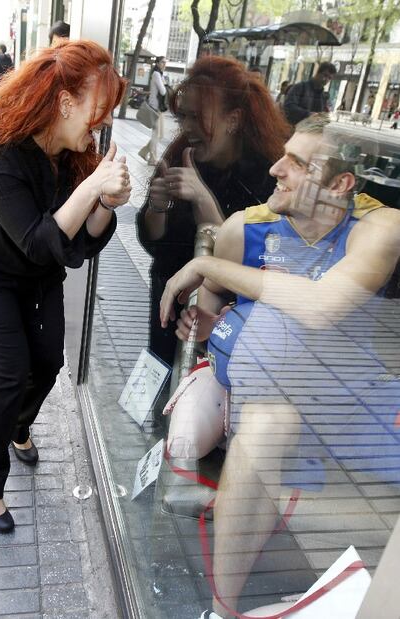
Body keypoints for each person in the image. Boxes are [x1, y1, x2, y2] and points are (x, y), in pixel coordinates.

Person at [160, 116, 400, 618]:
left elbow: (321, 305)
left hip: (347, 399)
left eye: (296, 163)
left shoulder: (380, 225)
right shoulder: (245, 227)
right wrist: (203, 327)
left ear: (340, 184)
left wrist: (205, 265)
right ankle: (223, 609)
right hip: (262, 398)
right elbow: (211, 307)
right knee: (267, 423)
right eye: (281, 154)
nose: (275, 168)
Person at [0, 40, 131, 533]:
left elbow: (73, 250)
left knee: (49, 363)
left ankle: (17, 427)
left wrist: (106, 202)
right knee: (8, 375)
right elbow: (36, 241)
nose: (102, 122)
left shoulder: (71, 155)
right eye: (99, 109)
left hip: (39, 275)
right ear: (66, 102)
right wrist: (93, 189)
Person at [137, 54, 289, 367]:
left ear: (232, 120)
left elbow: (251, 266)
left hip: (225, 319)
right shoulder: (183, 154)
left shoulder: (266, 177)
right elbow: (155, 244)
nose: (187, 127)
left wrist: (203, 201)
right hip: (170, 302)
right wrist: (158, 206)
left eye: (198, 117)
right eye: (185, 117)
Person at [138, 56, 168, 166]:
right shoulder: (156, 74)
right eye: (162, 62)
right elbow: (163, 91)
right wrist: (165, 85)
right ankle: (153, 159)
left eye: (165, 62)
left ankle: (144, 152)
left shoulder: (159, 74)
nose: (164, 64)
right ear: (157, 63)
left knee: (160, 135)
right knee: (156, 134)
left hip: (159, 108)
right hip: (155, 108)